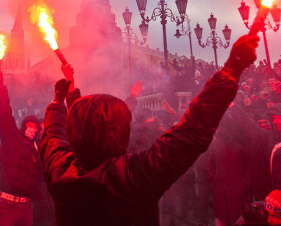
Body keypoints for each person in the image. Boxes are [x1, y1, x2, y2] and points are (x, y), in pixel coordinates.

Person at [41, 34, 259, 225]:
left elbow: (55, 132)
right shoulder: (134, 176)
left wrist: (59, 98)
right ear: (117, 133)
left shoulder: (60, 171)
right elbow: (191, 131)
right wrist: (231, 69)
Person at [0, 70, 43, 226]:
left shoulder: (37, 148)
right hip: (8, 204)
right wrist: (0, 88)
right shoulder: (12, 138)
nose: (32, 129)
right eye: (30, 125)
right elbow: (4, 113)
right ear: (23, 126)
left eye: (36, 127)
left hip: (27, 205)